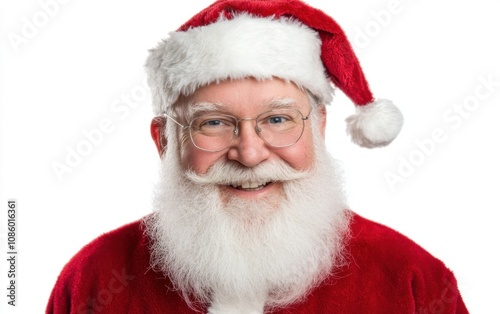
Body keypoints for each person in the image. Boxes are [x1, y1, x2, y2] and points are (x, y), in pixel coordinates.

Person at [46, 0, 468, 313]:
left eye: (278, 119)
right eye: (213, 123)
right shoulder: (93, 281)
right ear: (165, 142)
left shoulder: (414, 281)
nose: (249, 154)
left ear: (319, 129)